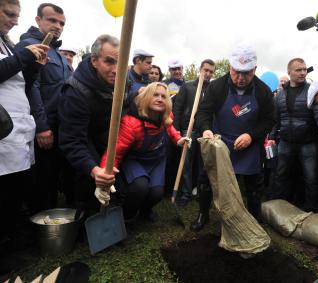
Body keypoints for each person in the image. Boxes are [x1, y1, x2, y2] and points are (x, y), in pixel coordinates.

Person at [191, 44, 275, 231]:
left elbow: (269, 120)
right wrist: (206, 129)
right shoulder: (217, 87)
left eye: (246, 73)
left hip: (249, 145)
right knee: (206, 179)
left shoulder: (263, 91)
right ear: (230, 67)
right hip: (220, 142)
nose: (240, 78)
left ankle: (255, 217)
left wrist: (252, 136)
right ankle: (203, 214)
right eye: (236, 72)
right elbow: (203, 112)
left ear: (254, 69)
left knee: (254, 184)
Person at [100, 82, 189, 221]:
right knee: (140, 188)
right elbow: (115, 152)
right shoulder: (131, 123)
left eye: (163, 96)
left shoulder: (165, 115)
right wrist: (104, 173)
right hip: (135, 159)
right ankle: (127, 216)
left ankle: (145, 211)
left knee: (157, 193)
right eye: (155, 95)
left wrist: (178, 139)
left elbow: (170, 127)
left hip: (157, 159)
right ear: (146, 97)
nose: (160, 99)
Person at [0, 0, 48, 257]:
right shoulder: (14, 49)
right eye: (9, 14)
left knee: (16, 192)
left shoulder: (6, 44)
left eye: (17, 15)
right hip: (2, 134)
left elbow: (20, 82)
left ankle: (13, 246)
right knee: (4, 194)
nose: (15, 21)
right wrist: (23, 55)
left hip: (17, 130)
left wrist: (32, 67)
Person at [15, 3, 72, 212]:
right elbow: (31, 87)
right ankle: (41, 228)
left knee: (54, 175)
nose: (58, 26)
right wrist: (41, 126)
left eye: (62, 23)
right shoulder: (29, 46)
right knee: (41, 180)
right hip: (43, 127)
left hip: (61, 125)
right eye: (52, 20)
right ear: (38, 20)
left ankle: (54, 220)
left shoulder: (58, 53)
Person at [58, 34, 121, 211]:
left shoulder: (123, 81)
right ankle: (82, 219)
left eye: (120, 62)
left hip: (106, 140)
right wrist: (93, 170)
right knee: (87, 185)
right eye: (109, 62)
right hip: (83, 142)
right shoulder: (75, 91)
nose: (116, 69)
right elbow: (72, 140)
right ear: (94, 60)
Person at [270, 58, 318, 212]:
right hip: (285, 142)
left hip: (308, 142)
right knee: (281, 174)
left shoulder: (311, 91)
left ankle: (312, 210)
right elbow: (275, 119)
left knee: (311, 177)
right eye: (299, 70)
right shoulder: (280, 95)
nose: (303, 72)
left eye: (304, 69)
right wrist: (272, 137)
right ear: (289, 72)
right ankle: (278, 207)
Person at [172, 59, 216, 204]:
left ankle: (198, 189)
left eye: (211, 71)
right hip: (188, 129)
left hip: (204, 131)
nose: (208, 74)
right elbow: (177, 107)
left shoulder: (212, 90)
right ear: (200, 70)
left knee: (202, 163)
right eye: (206, 70)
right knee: (186, 162)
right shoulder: (188, 86)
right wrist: (177, 129)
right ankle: (185, 192)